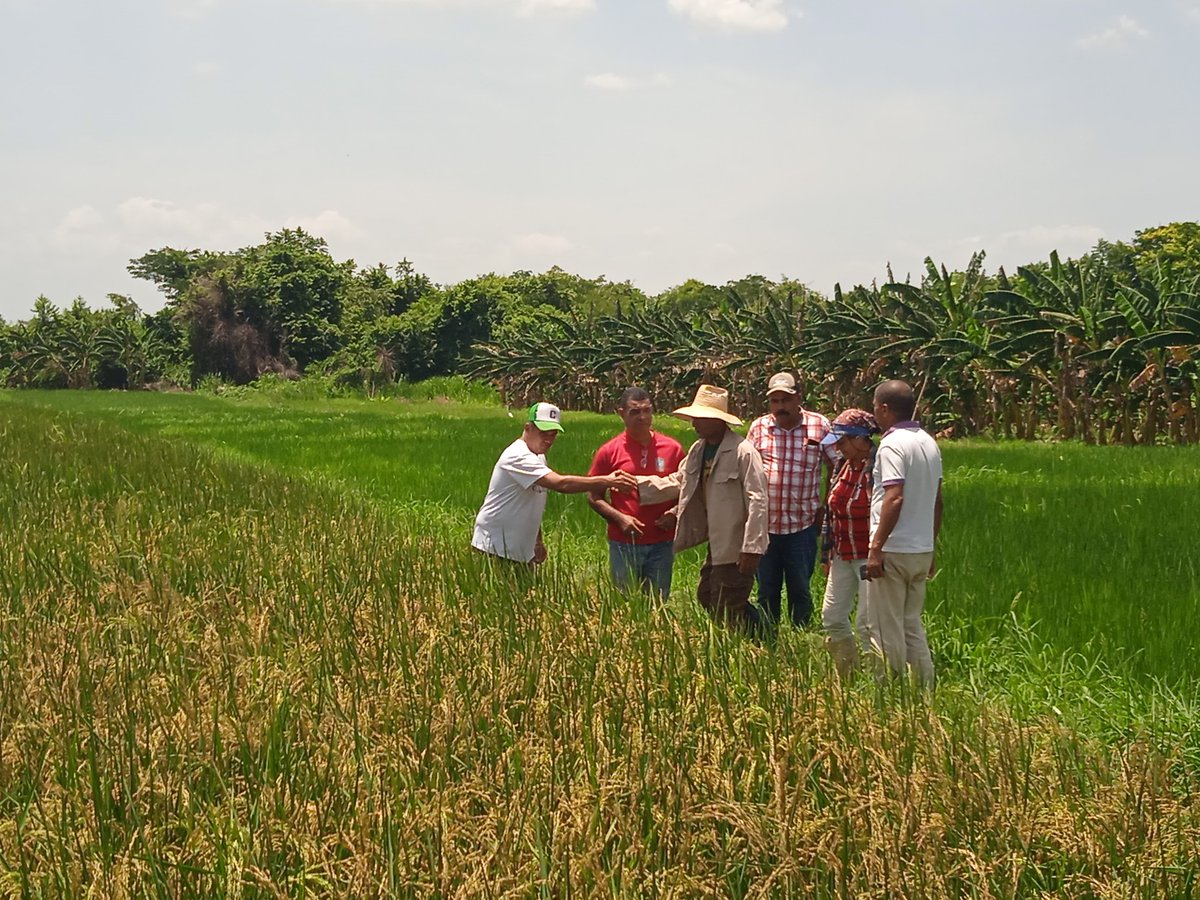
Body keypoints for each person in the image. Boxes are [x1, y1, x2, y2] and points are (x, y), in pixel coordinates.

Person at [637, 385, 769, 630]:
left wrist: (752, 547)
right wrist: (633, 485)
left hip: (736, 542)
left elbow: (758, 500)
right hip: (716, 541)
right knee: (707, 594)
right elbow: (680, 481)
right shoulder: (699, 450)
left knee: (726, 601)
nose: (694, 423)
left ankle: (754, 641)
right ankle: (757, 633)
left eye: (699, 418)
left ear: (717, 421)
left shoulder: (743, 452)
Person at [472, 402, 636, 565]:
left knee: (526, 590)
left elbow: (530, 504)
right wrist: (608, 480)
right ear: (528, 428)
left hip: (520, 550)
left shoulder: (538, 456)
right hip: (494, 547)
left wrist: (537, 541)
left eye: (553, 434)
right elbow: (561, 484)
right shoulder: (517, 456)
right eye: (544, 433)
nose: (549, 440)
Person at [863, 380, 944, 688]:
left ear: (884, 409)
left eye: (875, 407)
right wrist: (931, 546)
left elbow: (894, 497)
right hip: (920, 550)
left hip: (894, 549)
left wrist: (875, 548)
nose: (875, 413)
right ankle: (924, 689)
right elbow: (937, 501)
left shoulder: (892, 444)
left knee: (885, 627)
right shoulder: (928, 442)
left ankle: (888, 693)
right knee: (911, 624)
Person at [746, 372, 837, 628]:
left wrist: (826, 508)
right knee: (766, 589)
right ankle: (768, 639)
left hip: (803, 525)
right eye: (775, 401)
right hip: (766, 526)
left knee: (800, 588)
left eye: (785, 400)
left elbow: (837, 466)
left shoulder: (819, 426)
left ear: (798, 397)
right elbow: (745, 470)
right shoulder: (759, 427)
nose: (780, 407)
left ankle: (801, 638)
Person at [587, 387, 686, 600]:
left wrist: (675, 513)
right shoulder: (609, 452)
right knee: (625, 604)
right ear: (621, 413)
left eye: (647, 411)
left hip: (662, 544)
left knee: (658, 605)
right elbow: (594, 496)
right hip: (624, 543)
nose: (642, 417)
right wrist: (619, 518)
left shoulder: (673, 449)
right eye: (635, 412)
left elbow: (689, 490)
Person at [817, 409, 880, 678]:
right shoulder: (843, 467)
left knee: (868, 623)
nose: (838, 448)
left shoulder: (878, 466)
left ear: (859, 439)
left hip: (870, 556)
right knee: (831, 616)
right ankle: (848, 674)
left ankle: (879, 682)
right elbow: (830, 510)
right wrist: (826, 554)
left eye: (842, 442)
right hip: (842, 553)